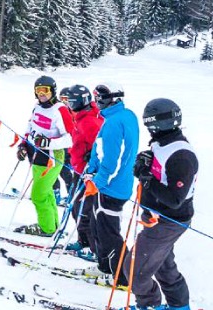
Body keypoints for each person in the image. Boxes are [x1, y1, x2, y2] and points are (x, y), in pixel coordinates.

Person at [114, 98, 198, 310]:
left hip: (169, 220)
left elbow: (174, 199)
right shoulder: (162, 143)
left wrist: (147, 179)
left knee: (134, 267)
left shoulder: (181, 155)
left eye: (150, 124)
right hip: (156, 217)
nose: (149, 129)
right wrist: (144, 166)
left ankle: (148, 307)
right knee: (162, 264)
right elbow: (156, 175)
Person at [83, 83, 140, 280]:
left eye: (100, 98)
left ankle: (120, 275)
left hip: (111, 187)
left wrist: (97, 181)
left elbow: (113, 161)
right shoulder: (126, 115)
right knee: (98, 227)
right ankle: (105, 267)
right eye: (96, 97)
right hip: (115, 184)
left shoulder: (114, 122)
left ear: (111, 99)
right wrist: (92, 168)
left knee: (107, 233)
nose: (96, 102)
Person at [15, 75, 74, 237]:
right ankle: (52, 224)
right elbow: (30, 127)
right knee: (46, 192)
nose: (42, 94)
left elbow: (70, 138)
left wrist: (49, 143)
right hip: (36, 156)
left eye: (45, 90)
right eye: (38, 90)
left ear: (52, 91)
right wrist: (23, 145)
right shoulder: (37, 107)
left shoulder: (60, 110)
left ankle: (46, 228)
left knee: (38, 195)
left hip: (52, 158)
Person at [59, 84, 103, 253]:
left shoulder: (90, 120)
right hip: (78, 170)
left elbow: (100, 146)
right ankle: (83, 240)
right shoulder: (80, 116)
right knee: (75, 208)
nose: (68, 105)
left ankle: (96, 250)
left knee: (86, 212)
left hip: (88, 174)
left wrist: (91, 156)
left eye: (70, 102)